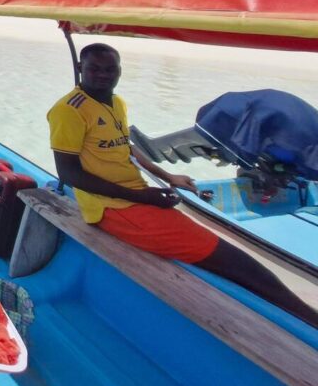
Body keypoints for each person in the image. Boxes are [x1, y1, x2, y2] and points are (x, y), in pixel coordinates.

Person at [48, 43, 318, 328]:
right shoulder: (69, 111)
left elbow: (124, 147)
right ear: (80, 69)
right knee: (237, 262)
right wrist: (144, 196)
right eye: (94, 68)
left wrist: (168, 177)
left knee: (234, 262)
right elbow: (69, 174)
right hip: (113, 208)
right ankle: (308, 319)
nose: (103, 75)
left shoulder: (116, 103)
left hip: (136, 197)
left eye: (110, 69)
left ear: (119, 71)